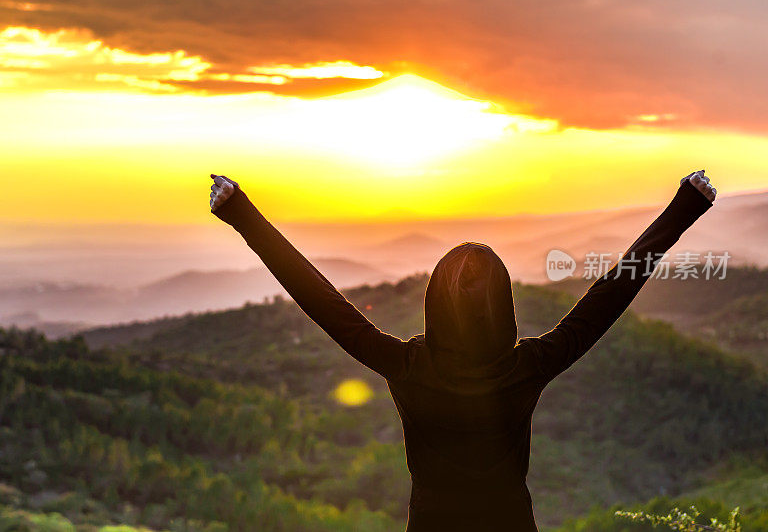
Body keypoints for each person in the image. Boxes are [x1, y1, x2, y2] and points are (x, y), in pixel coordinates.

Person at [208, 171, 716, 531]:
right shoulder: (529, 366)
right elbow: (610, 292)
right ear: (506, 307)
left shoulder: (406, 366)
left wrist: (241, 214)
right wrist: (685, 206)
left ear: (433, 300)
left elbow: (319, 296)